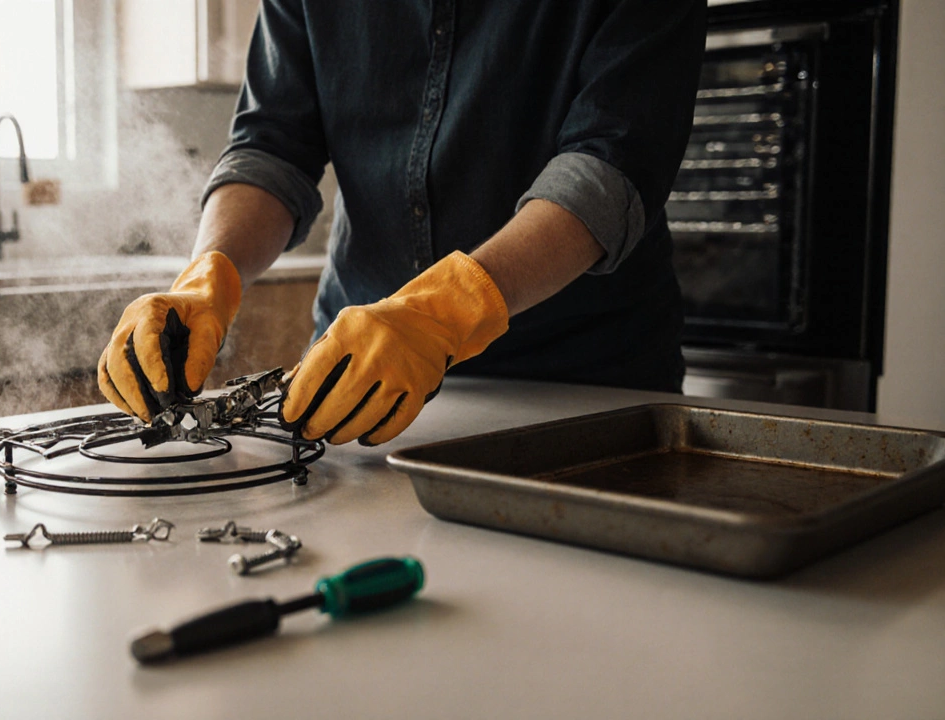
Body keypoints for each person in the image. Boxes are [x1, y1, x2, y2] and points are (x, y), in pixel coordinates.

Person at [99, 1, 706, 446]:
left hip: (585, 386)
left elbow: (606, 172)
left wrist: (443, 312)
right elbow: (272, 148)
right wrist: (209, 273)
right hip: (361, 383)